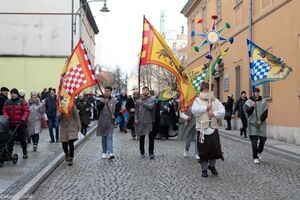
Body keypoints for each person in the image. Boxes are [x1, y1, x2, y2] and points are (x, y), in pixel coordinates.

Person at [191, 82, 225, 178]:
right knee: (203, 150)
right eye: (206, 89)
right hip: (202, 129)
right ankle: (204, 169)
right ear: (202, 89)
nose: (208, 91)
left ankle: (212, 166)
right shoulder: (197, 101)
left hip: (213, 128)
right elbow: (194, 111)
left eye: (209, 89)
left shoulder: (216, 101)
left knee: (215, 149)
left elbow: (222, 112)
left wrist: (214, 114)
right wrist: (206, 108)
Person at [243, 88, 268, 164]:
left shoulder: (264, 102)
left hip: (262, 123)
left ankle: (259, 151)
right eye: (255, 92)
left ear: (259, 93)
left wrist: (261, 120)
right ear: (253, 93)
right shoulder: (249, 102)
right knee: (254, 141)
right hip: (252, 124)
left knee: (263, 140)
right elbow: (247, 113)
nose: (256, 93)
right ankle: (255, 157)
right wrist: (252, 107)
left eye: (257, 92)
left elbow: (265, 113)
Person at [3, 88, 30, 158]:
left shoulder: (22, 102)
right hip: (11, 124)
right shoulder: (7, 102)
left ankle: (24, 151)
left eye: (14, 93)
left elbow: (26, 111)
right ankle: (10, 153)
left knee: (22, 139)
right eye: (11, 93)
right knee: (10, 139)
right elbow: (4, 111)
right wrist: (6, 118)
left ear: (17, 94)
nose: (13, 95)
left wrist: (23, 119)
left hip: (20, 124)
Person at [96, 86, 118, 159]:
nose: (106, 92)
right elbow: (98, 107)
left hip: (110, 121)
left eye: (108, 91)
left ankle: (110, 152)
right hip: (102, 121)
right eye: (105, 90)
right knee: (104, 137)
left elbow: (118, 109)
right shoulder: (100, 99)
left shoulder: (114, 100)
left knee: (109, 136)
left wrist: (115, 115)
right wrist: (103, 103)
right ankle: (104, 152)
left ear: (110, 91)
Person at [135, 86, 156, 159]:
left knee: (151, 138)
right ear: (142, 91)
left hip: (150, 121)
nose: (145, 92)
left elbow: (150, 107)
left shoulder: (153, 99)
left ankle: (151, 153)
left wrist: (142, 103)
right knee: (142, 137)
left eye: (146, 90)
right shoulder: (139, 100)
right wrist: (136, 119)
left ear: (148, 91)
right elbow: (136, 111)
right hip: (141, 121)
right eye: (144, 90)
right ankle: (142, 152)